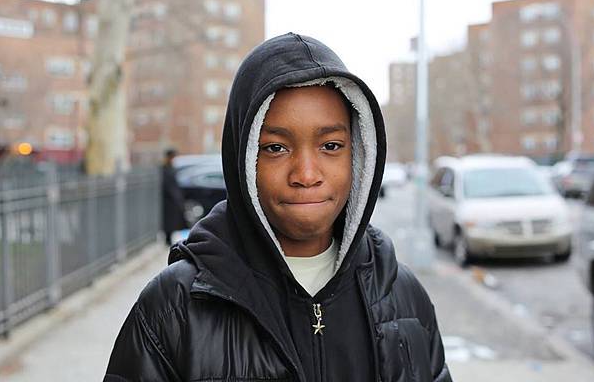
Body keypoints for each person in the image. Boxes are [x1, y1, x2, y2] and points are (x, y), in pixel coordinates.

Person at [105, 33, 452, 382]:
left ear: (359, 155)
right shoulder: (173, 308)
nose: (306, 174)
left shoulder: (403, 296)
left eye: (330, 145)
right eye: (275, 148)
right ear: (242, 158)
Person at [160, 148, 187, 245]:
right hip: (168, 200)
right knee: (168, 222)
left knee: (172, 221)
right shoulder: (164, 169)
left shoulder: (170, 168)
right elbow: (168, 185)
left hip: (172, 200)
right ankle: (167, 239)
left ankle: (169, 238)